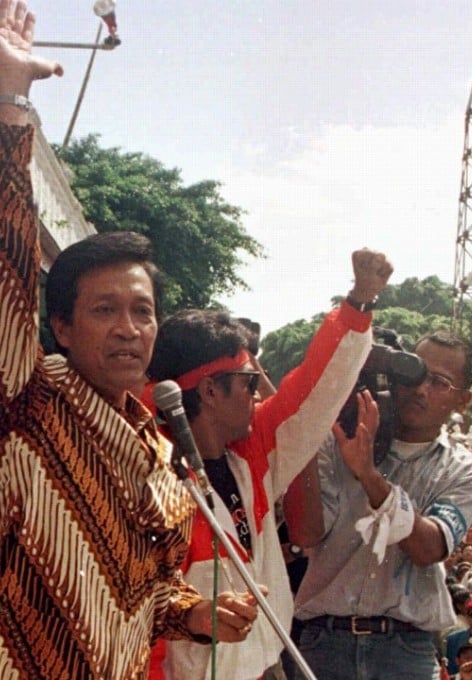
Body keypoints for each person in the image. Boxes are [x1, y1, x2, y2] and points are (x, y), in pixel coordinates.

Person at [0, 4, 261, 678]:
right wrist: (7, 111)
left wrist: (192, 612)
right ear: (61, 326)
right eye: (104, 310)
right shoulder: (24, 404)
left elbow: (143, 588)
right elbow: (7, 278)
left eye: (142, 311)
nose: (128, 328)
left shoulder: (160, 447)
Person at [145, 250, 391, 678]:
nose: (259, 395)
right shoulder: (147, 477)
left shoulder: (251, 450)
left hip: (268, 665)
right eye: (249, 382)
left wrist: (360, 302)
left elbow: (314, 390)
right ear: (208, 391)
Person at [285, 329, 472, 679]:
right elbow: (305, 533)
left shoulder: (465, 470)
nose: (421, 389)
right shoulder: (338, 441)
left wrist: (368, 475)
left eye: (440, 382)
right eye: (417, 373)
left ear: (463, 400)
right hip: (324, 642)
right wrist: (310, 430)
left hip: (405, 652)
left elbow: (428, 547)